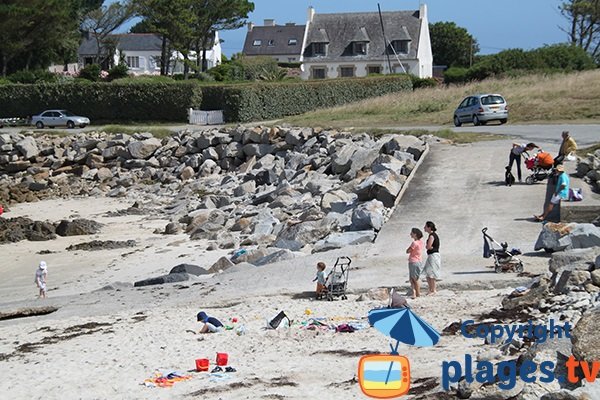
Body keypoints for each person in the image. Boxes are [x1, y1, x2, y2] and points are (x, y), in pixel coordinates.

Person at [423, 221, 441, 295]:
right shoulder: (432, 235)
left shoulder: (432, 236)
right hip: (432, 255)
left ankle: (433, 290)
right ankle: (431, 289)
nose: (424, 228)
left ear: (429, 227)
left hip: (433, 255)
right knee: (428, 272)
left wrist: (428, 247)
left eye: (425, 226)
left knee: (431, 273)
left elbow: (428, 246)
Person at [406, 228, 424, 299]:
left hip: (414, 261)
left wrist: (408, 249)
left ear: (415, 234)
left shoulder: (414, 243)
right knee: (413, 278)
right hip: (418, 260)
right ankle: (414, 292)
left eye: (412, 233)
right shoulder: (421, 242)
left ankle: (417, 293)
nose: (411, 234)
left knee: (414, 278)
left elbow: (408, 250)